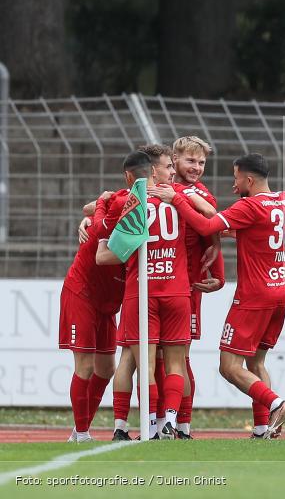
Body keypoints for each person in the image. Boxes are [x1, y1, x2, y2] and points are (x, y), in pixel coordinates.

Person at [150, 153, 285, 440]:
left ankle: (277, 403)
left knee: (229, 367)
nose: (234, 183)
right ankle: (263, 428)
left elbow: (207, 227)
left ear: (249, 180)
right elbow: (240, 229)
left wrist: (178, 200)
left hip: (254, 297)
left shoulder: (250, 206)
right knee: (257, 364)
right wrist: (210, 212)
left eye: (237, 177)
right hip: (281, 292)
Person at [96, 151, 203, 440]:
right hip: (177, 289)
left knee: (141, 363)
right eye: (169, 167)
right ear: (155, 171)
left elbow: (109, 244)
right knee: (176, 363)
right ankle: (168, 422)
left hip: (142, 290)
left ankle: (138, 426)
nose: (173, 172)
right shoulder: (179, 195)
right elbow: (210, 215)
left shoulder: (130, 200)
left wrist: (97, 226)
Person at [58, 188, 128, 442]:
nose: (171, 173)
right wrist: (95, 213)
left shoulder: (160, 198)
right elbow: (90, 208)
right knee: (85, 365)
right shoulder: (128, 197)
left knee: (107, 368)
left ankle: (80, 429)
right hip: (83, 293)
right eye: (167, 167)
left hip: (108, 302)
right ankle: (83, 432)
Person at [170, 136, 225, 439]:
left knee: (180, 357)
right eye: (191, 160)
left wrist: (219, 273)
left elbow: (212, 227)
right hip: (159, 281)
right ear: (174, 159)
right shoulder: (161, 185)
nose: (197, 167)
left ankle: (182, 425)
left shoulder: (198, 193)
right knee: (158, 358)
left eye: (202, 162)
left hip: (188, 287)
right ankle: (158, 422)